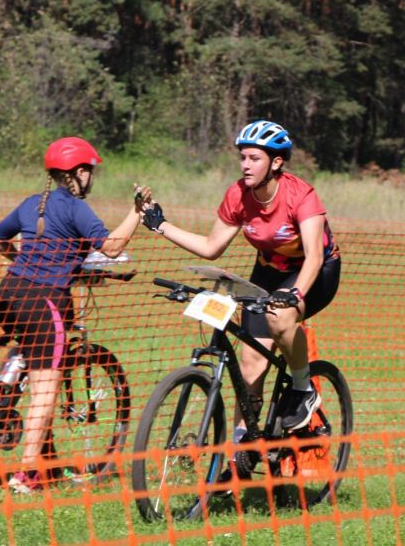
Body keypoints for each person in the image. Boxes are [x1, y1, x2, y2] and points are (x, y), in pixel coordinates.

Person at [140, 120, 341, 482]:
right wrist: (161, 225)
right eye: (243, 158)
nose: (245, 165)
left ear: (276, 163)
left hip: (316, 271)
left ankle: (303, 389)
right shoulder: (238, 195)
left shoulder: (301, 195)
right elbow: (211, 247)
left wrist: (295, 294)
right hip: (269, 271)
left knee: (280, 318)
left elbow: (313, 256)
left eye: (254, 158)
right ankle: (239, 458)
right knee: (249, 365)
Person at [0, 137, 151, 494]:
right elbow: (111, 247)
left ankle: (6, 399)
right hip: (46, 303)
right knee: (46, 391)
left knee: (30, 355)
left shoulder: (33, 203)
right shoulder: (76, 208)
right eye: (89, 170)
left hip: (8, 294)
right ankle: (27, 475)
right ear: (77, 173)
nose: (91, 177)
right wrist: (137, 212)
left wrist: (23, 262)